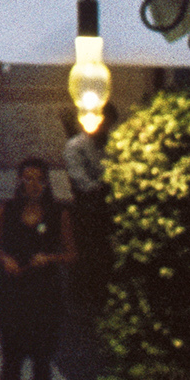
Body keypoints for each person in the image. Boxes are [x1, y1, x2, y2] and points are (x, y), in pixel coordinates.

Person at [0, 158, 76, 380]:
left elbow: (71, 253)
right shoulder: (7, 211)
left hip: (44, 292)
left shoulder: (57, 213)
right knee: (11, 356)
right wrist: (6, 259)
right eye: (27, 179)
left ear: (47, 182)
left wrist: (48, 258)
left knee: (41, 357)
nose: (33, 184)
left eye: (38, 179)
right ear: (20, 181)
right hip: (13, 290)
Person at [64, 107, 114, 313]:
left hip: (107, 208)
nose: (104, 127)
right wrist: (103, 185)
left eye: (108, 122)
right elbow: (81, 180)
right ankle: (81, 301)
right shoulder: (75, 146)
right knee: (85, 253)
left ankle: (102, 297)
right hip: (86, 209)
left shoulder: (111, 143)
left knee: (104, 254)